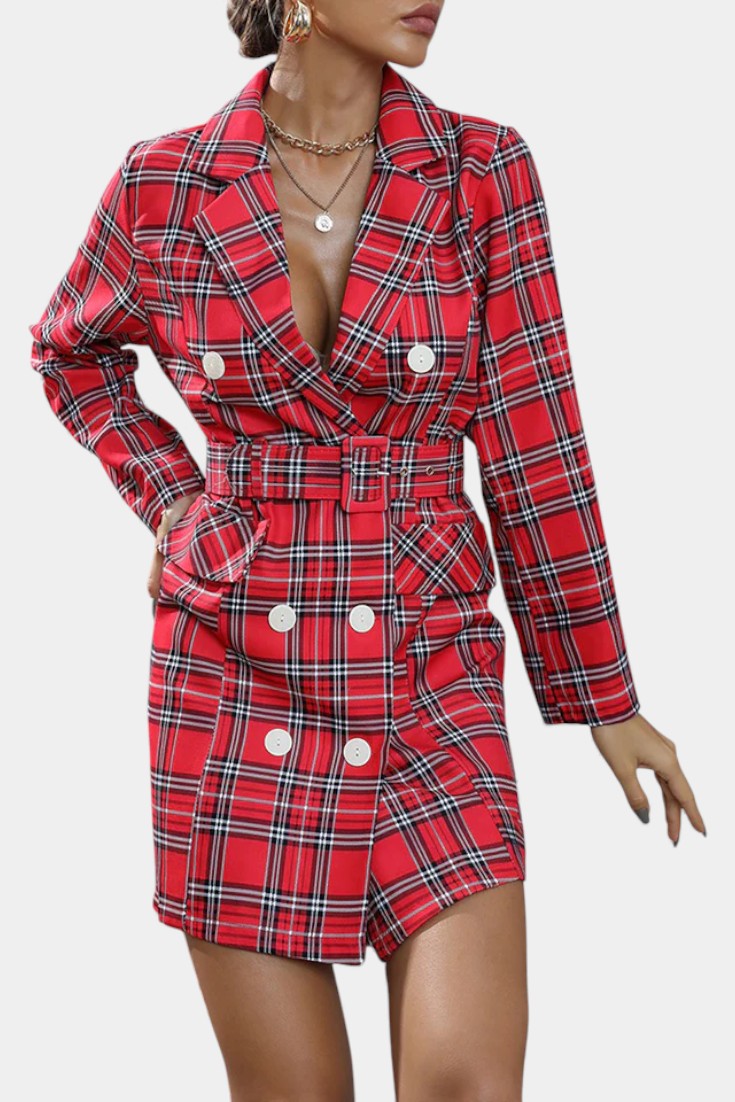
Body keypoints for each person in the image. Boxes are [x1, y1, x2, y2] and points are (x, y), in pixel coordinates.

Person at [28, 2, 707, 1099]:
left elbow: (534, 440)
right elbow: (71, 351)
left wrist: (603, 696)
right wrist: (174, 500)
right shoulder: (165, 182)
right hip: (232, 670)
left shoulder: (481, 170)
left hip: (426, 659)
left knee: (465, 1084)